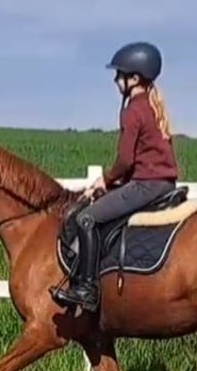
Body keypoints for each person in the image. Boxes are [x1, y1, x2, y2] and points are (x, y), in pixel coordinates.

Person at [52, 41, 180, 313]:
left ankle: (86, 288)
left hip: (146, 186)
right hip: (162, 184)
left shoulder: (133, 110)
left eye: (119, 74)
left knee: (86, 218)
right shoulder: (152, 106)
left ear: (134, 78)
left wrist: (106, 181)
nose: (115, 80)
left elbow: (125, 161)